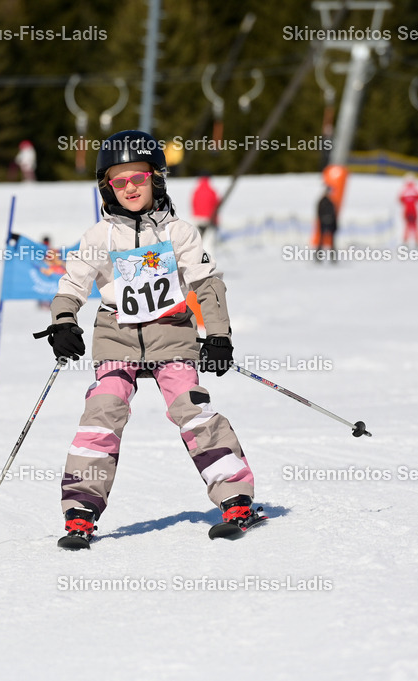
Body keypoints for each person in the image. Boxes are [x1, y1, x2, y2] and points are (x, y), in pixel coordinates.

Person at [43, 130, 263, 550]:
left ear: (155, 179)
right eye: (119, 181)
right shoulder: (100, 236)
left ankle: (235, 496)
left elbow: (208, 283)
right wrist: (63, 321)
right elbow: (71, 285)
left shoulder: (178, 232)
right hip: (117, 338)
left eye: (138, 178)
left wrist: (218, 335)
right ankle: (80, 510)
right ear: (106, 187)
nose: (129, 188)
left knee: (191, 407)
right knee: (103, 409)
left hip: (171, 336)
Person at [191, 171, 220, 248]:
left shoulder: (196, 191)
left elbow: (193, 204)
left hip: (197, 219)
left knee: (198, 242)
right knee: (209, 243)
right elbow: (216, 206)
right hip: (208, 219)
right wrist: (216, 221)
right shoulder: (212, 191)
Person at [399, 173, 418, 247]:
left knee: (407, 225)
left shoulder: (404, 190)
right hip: (414, 210)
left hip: (407, 210)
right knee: (415, 226)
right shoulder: (415, 189)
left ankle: (405, 241)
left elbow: (400, 199)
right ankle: (417, 241)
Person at [316, 184, 338, 263]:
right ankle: (318, 258)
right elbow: (319, 213)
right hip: (324, 223)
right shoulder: (323, 201)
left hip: (330, 224)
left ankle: (333, 258)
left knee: (331, 242)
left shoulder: (330, 202)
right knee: (321, 241)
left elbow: (334, 215)